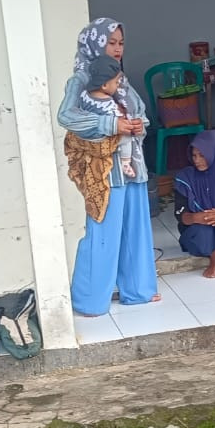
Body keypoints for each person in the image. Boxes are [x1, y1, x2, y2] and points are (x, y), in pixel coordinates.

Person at [58, 18, 159, 317]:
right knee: (103, 233)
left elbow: (141, 114)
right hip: (104, 170)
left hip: (134, 167)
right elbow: (67, 117)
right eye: (110, 42)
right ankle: (89, 300)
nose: (117, 49)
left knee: (135, 230)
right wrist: (111, 123)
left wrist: (139, 124)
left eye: (121, 43)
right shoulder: (82, 78)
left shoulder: (121, 80)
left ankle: (138, 291)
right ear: (95, 42)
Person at [172, 128, 215, 278]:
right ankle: (214, 259)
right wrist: (197, 218)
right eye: (194, 155)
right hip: (199, 232)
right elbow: (180, 214)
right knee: (203, 229)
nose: (197, 160)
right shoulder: (186, 177)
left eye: (202, 156)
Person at [78, 54, 141, 180]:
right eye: (116, 82)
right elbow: (119, 122)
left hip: (91, 143)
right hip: (110, 141)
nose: (118, 85)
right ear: (104, 85)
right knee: (128, 137)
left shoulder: (85, 96)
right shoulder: (108, 103)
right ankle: (125, 162)